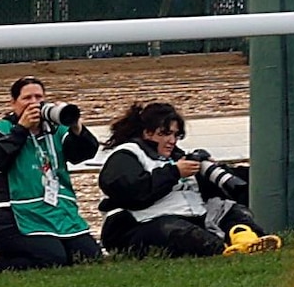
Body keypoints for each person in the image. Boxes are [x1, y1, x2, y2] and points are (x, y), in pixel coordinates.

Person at [93, 101, 260, 258]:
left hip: (190, 217)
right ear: (147, 133)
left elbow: (214, 191)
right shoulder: (126, 155)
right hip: (138, 225)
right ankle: (223, 251)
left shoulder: (178, 157)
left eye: (175, 135)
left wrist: (215, 172)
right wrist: (174, 173)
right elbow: (130, 191)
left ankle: (248, 240)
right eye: (165, 134)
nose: (171, 141)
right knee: (179, 232)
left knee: (232, 212)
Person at [0, 79, 100, 268]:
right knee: (52, 258)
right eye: (27, 98)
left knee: (89, 256)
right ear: (13, 103)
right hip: (13, 217)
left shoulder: (56, 130)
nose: (34, 103)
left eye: (39, 97)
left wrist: (76, 128)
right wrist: (22, 129)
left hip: (58, 212)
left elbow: (84, 153)